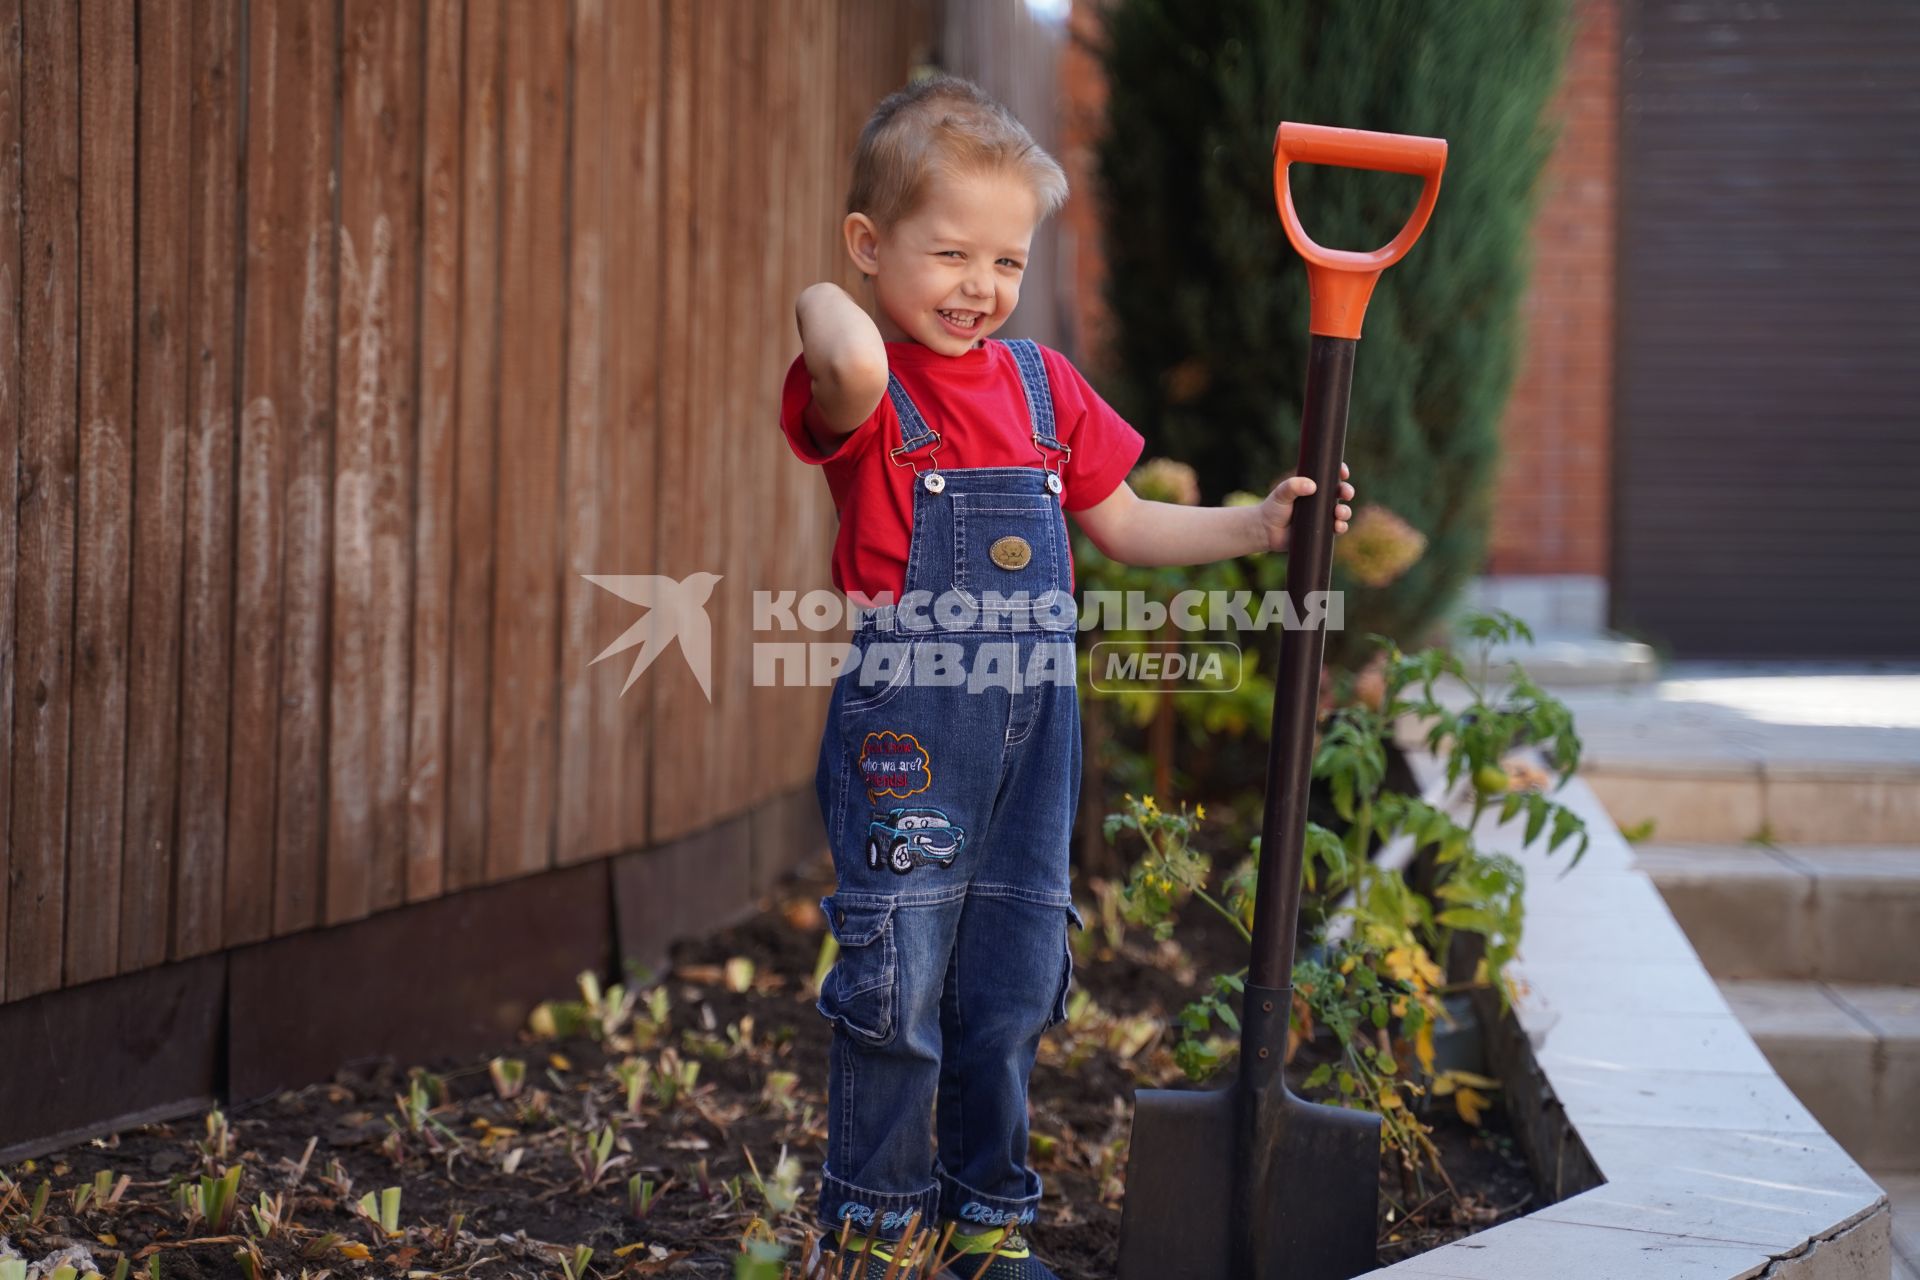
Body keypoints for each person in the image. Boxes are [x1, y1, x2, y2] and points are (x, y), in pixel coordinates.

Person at [778, 75, 1355, 1280]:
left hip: (1036, 751)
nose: (979, 286)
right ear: (870, 248)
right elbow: (838, 352)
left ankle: (986, 1214)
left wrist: (1259, 527)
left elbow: (1129, 524)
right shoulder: (872, 391)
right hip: (914, 740)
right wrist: (825, 296)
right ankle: (875, 1231)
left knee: (1011, 981)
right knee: (900, 978)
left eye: (1005, 257)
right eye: (947, 253)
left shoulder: (1044, 387)